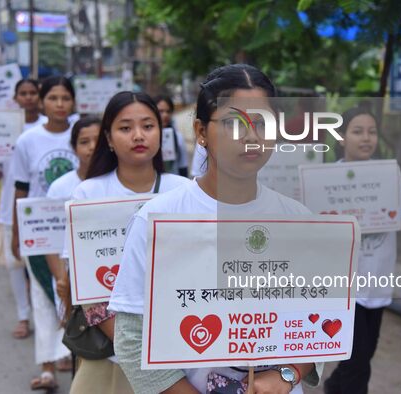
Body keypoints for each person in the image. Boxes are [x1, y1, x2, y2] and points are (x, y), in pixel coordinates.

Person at [108, 64, 322, 394]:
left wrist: (288, 374)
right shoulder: (156, 219)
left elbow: (321, 322)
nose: (251, 136)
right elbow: (132, 338)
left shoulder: (299, 221)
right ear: (201, 131)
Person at [66, 91, 190, 394]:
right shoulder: (88, 193)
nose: (138, 135)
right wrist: (133, 346)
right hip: (111, 355)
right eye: (125, 128)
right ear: (108, 138)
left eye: (148, 126)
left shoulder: (186, 190)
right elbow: (88, 289)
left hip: (179, 348)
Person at [323, 107, 401, 394]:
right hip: (345, 287)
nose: (366, 138)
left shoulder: (388, 174)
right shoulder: (325, 178)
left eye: (372, 132)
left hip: (378, 283)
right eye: (357, 131)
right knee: (359, 361)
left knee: (363, 355)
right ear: (342, 138)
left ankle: (334, 385)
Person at [11, 76, 78, 391]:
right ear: (42, 101)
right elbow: (21, 189)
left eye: (66, 98)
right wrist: (16, 232)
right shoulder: (28, 140)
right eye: (53, 98)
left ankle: (69, 352)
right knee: (43, 295)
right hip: (39, 229)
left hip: (77, 227)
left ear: (74, 102)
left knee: (72, 294)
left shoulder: (82, 133)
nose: (60, 104)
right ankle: (48, 367)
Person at [0, 78, 47, 339]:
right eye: (24, 93)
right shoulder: (5, 127)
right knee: (15, 265)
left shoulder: (47, 127)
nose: (29, 97)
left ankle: (49, 321)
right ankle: (23, 316)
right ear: (16, 97)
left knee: (43, 269)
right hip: (10, 206)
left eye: (33, 92)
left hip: (42, 210)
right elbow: (1, 167)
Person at [45, 116, 101, 308]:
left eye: (98, 140)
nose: (92, 147)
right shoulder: (59, 188)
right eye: (84, 142)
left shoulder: (118, 183)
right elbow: (52, 240)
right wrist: (62, 281)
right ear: (73, 146)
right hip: (68, 278)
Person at [154, 95, 189, 176]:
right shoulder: (146, 137)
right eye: (161, 111)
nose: (165, 115)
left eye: (168, 111)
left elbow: (183, 164)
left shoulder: (178, 137)